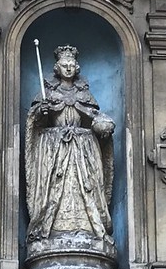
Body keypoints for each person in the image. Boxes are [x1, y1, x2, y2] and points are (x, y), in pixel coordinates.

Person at [25, 45, 115, 243]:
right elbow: (36, 124)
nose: (68, 68)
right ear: (57, 67)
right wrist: (41, 112)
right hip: (55, 149)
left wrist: (102, 126)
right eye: (64, 64)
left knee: (86, 187)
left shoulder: (85, 95)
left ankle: (88, 229)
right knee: (55, 187)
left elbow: (94, 119)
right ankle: (50, 230)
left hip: (82, 149)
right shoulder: (47, 93)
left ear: (76, 68)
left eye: (71, 64)